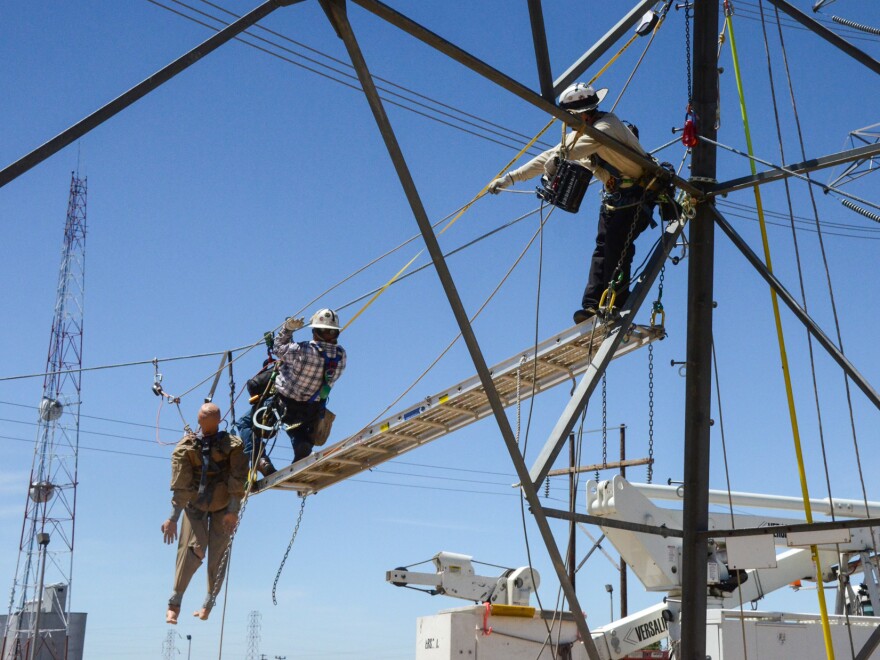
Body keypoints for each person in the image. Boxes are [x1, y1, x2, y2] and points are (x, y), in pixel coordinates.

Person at [489, 82, 658, 324]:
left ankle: (616, 303)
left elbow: (570, 152)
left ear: (581, 114)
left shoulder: (607, 127)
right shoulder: (582, 134)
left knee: (616, 246)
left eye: (569, 118)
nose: (567, 125)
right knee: (602, 248)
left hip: (638, 195)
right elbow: (548, 156)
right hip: (615, 198)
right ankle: (592, 305)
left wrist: (558, 159)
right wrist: (510, 178)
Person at [161, 403, 247, 624]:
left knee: (219, 555)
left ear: (218, 421)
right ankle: (174, 603)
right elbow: (181, 484)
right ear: (198, 422)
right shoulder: (187, 447)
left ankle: (208, 604)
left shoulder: (232, 445)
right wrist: (173, 517)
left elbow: (238, 479)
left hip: (223, 507)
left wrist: (233, 511)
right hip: (195, 507)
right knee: (193, 550)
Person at [271, 307, 346, 464]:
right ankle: (302, 448)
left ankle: (262, 461)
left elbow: (277, 348)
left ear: (315, 331)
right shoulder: (341, 355)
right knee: (298, 431)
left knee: (246, 423)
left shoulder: (303, 350)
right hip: (311, 408)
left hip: (286, 403)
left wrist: (287, 329)